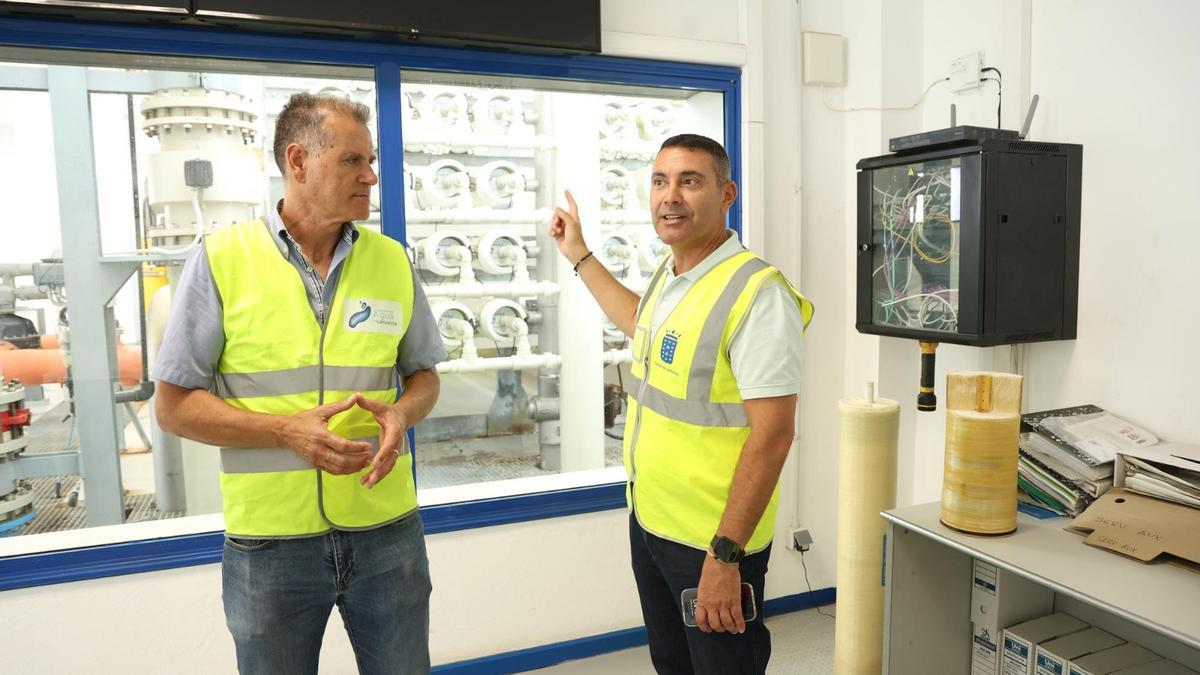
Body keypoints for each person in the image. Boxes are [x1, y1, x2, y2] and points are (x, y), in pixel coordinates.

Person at [154, 92, 446, 674]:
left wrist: (404, 414)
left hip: (387, 532)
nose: (370, 176)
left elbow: (424, 377)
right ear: (298, 160)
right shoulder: (221, 260)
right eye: (351, 161)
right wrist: (285, 432)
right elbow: (174, 407)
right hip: (269, 548)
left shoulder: (392, 261)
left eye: (371, 163)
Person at [548, 133, 813, 674]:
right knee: (673, 664)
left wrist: (725, 557)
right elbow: (636, 323)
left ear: (726, 194)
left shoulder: (756, 294)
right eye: (661, 181)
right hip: (652, 523)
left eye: (690, 181)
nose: (671, 197)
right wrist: (579, 255)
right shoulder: (673, 275)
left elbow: (773, 436)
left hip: (712, 542)